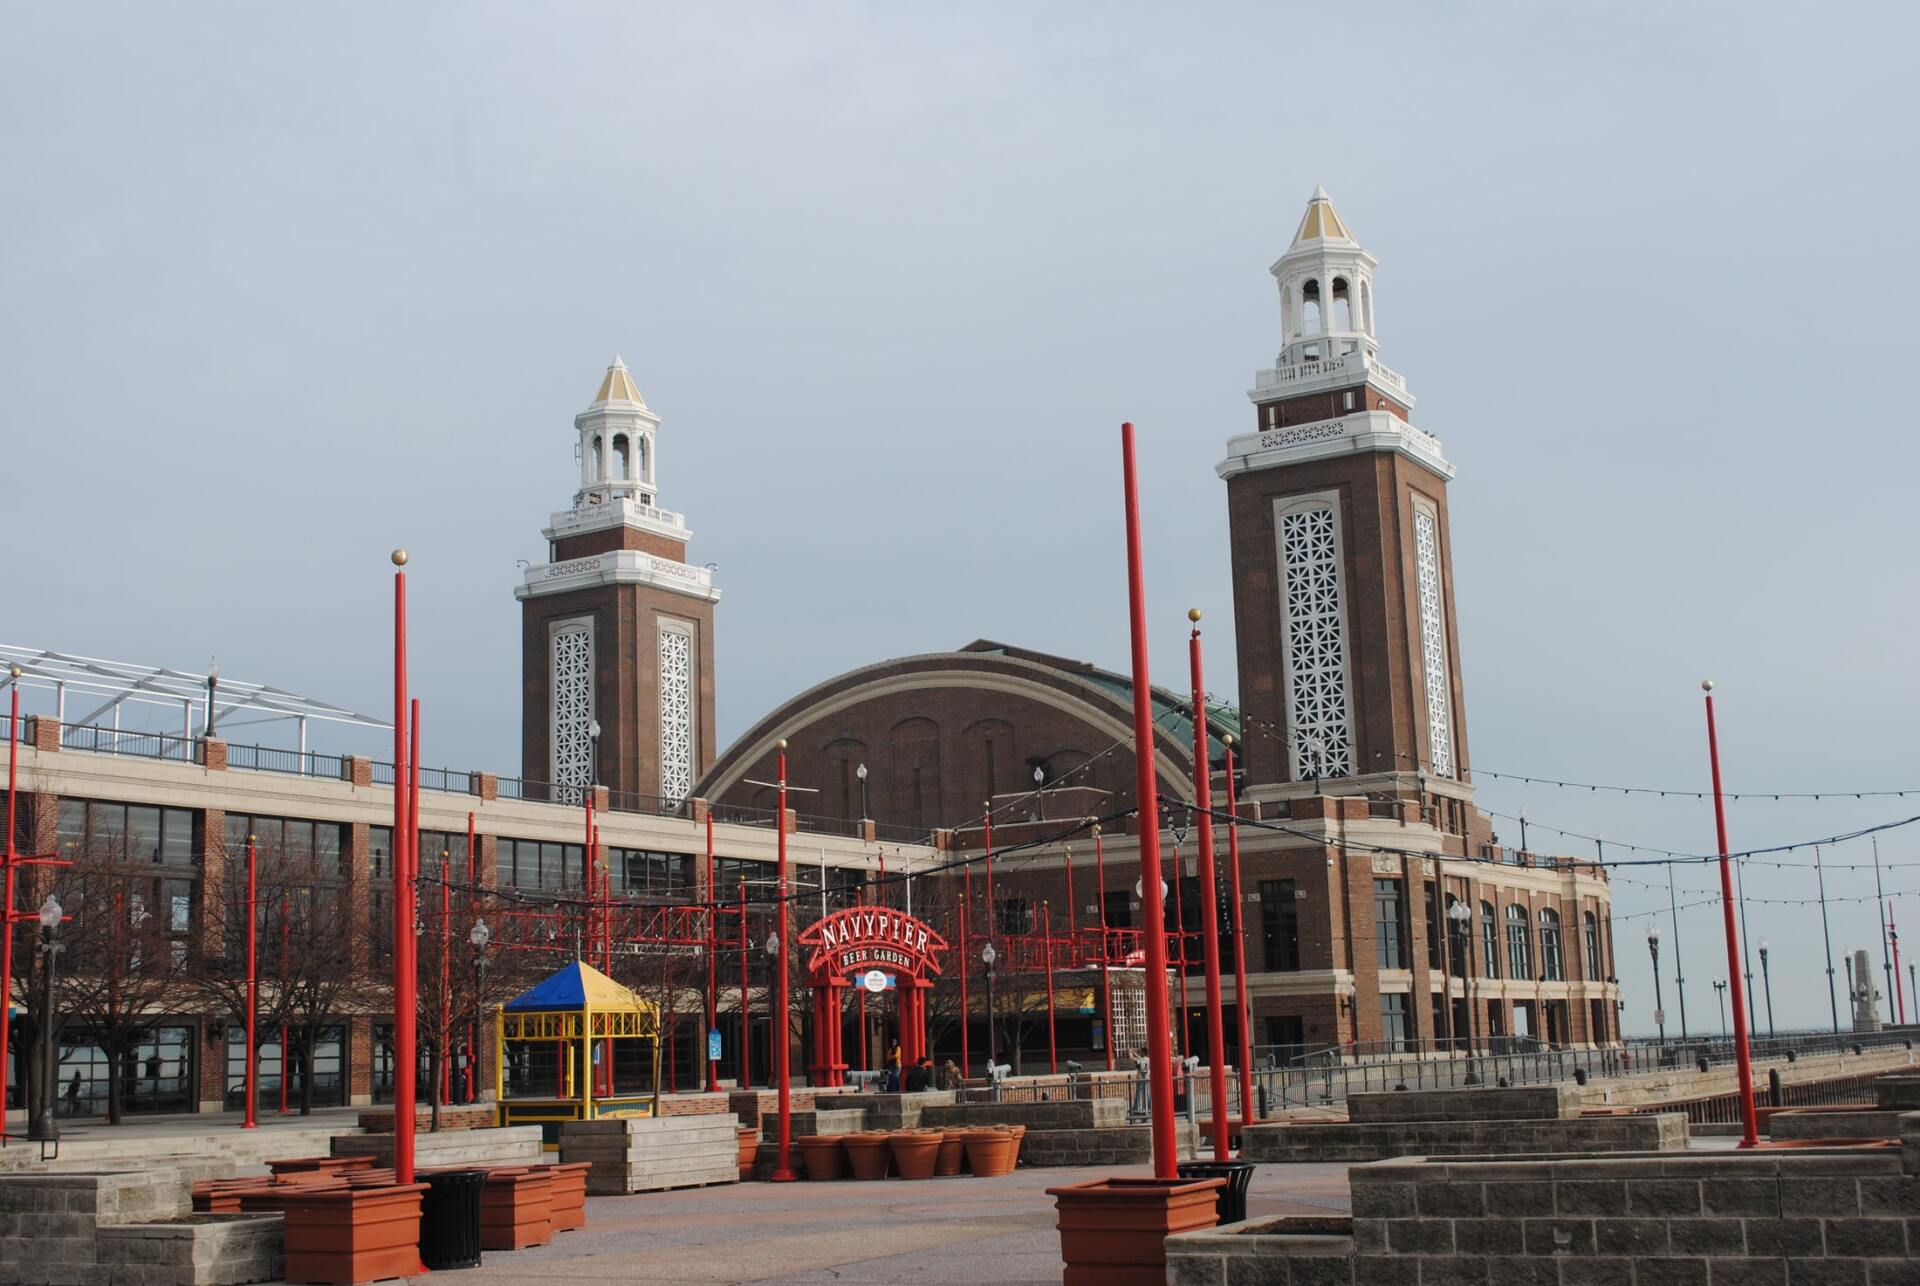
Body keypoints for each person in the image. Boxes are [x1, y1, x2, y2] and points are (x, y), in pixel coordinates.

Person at [1129, 1046, 1151, 1119]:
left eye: (1140, 1052)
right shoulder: (1148, 1059)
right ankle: (1149, 1108)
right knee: (1147, 1094)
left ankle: (1138, 1109)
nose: (1139, 1053)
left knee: (1139, 1094)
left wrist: (1130, 1052)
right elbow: (1141, 1059)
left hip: (1140, 1079)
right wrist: (1136, 1054)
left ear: (1143, 1053)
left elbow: (1132, 1058)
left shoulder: (1140, 1060)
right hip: (1147, 1079)